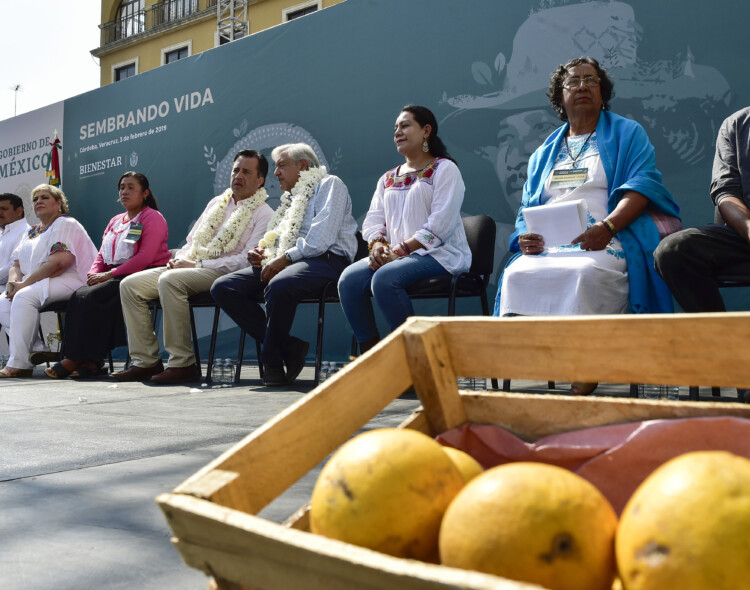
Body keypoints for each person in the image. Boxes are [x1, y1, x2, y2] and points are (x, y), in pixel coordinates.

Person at [494, 57, 681, 395]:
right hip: (550, 245)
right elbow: (527, 208)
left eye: (590, 80)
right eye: (573, 82)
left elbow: (643, 186)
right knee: (515, 274)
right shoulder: (542, 153)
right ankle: (529, 370)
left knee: (585, 272)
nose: (581, 86)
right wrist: (524, 237)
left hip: (608, 237)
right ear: (559, 97)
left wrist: (608, 227)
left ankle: (585, 366)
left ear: (602, 91)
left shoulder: (627, 132)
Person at [111, 150, 273, 384]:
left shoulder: (264, 213)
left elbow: (245, 260)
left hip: (221, 273)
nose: (238, 175)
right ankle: (146, 361)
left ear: (260, 181)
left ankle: (182, 364)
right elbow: (192, 240)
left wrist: (196, 263)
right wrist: (180, 260)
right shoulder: (218, 202)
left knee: (170, 281)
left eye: (246, 172)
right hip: (191, 264)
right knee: (130, 285)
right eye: (236, 170)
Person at [211, 143, 358, 386]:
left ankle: (272, 361)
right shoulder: (291, 199)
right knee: (223, 288)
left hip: (327, 260)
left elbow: (320, 240)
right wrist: (264, 254)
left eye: (281, 166)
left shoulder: (330, 184)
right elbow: (281, 237)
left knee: (279, 284)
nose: (276, 173)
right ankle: (289, 347)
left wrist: (284, 258)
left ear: (302, 165)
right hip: (290, 262)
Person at [337, 105, 471, 352]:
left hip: (439, 254)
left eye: (405, 125)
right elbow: (373, 220)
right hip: (396, 257)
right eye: (395, 128)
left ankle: (415, 358)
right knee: (349, 280)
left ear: (426, 131)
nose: (398, 132)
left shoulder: (445, 169)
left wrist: (398, 252)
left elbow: (440, 224)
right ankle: (371, 354)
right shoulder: (388, 177)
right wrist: (377, 245)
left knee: (385, 279)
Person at [44, 172, 171, 379]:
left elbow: (144, 257)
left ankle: (75, 358)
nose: (124, 192)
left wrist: (108, 275)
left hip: (142, 274)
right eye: (122, 187)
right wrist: (94, 274)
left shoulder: (152, 217)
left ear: (145, 193)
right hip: (114, 275)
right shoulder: (115, 221)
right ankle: (90, 360)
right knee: (81, 294)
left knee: (95, 296)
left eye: (131, 187)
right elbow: (102, 254)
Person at [654, 107, 750, 313]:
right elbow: (726, 193)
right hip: (745, 234)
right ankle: (717, 340)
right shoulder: (737, 124)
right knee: (673, 250)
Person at [0, 185, 97, 378]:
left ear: (58, 203)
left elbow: (59, 263)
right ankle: (35, 350)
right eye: (35, 199)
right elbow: (16, 264)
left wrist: (23, 286)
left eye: (45, 197)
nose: (39, 202)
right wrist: (13, 284)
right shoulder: (33, 231)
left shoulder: (65, 223)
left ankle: (18, 363)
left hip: (73, 278)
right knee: (3, 301)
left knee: (24, 297)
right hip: (41, 280)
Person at [0, 193, 29, 356]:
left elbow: (13, 266)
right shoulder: (2, 233)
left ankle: (25, 353)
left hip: (16, 288)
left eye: (4, 209)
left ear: (19, 211)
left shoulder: (26, 231)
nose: (0, 212)